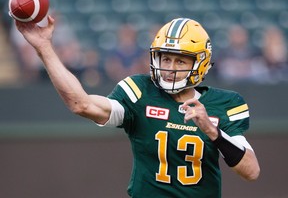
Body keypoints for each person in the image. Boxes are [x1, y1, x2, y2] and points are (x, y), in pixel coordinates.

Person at [15, 17, 260, 198]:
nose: (171, 67)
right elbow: (82, 104)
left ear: (201, 64)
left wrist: (212, 131)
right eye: (165, 58)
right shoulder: (140, 91)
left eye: (180, 60)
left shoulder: (225, 103)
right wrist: (44, 47)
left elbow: (251, 172)